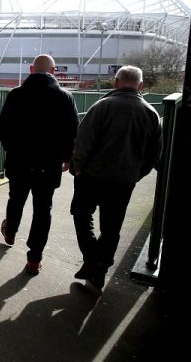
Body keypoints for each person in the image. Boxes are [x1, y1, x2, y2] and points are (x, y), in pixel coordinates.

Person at [69, 65, 161, 291]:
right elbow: (154, 154)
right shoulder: (151, 113)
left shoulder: (101, 106)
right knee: (111, 227)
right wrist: (137, 174)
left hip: (91, 176)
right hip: (124, 180)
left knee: (82, 215)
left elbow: (84, 141)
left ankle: (92, 259)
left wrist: (77, 168)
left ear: (116, 82)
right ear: (140, 86)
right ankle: (99, 268)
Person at [0, 54, 79, 275]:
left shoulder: (16, 94)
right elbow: (73, 131)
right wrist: (66, 157)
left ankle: (10, 231)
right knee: (43, 210)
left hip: (19, 161)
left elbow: (3, 127)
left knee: (16, 199)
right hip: (48, 164)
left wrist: (12, 149)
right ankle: (34, 259)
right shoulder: (65, 97)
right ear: (53, 71)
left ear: (32, 69)